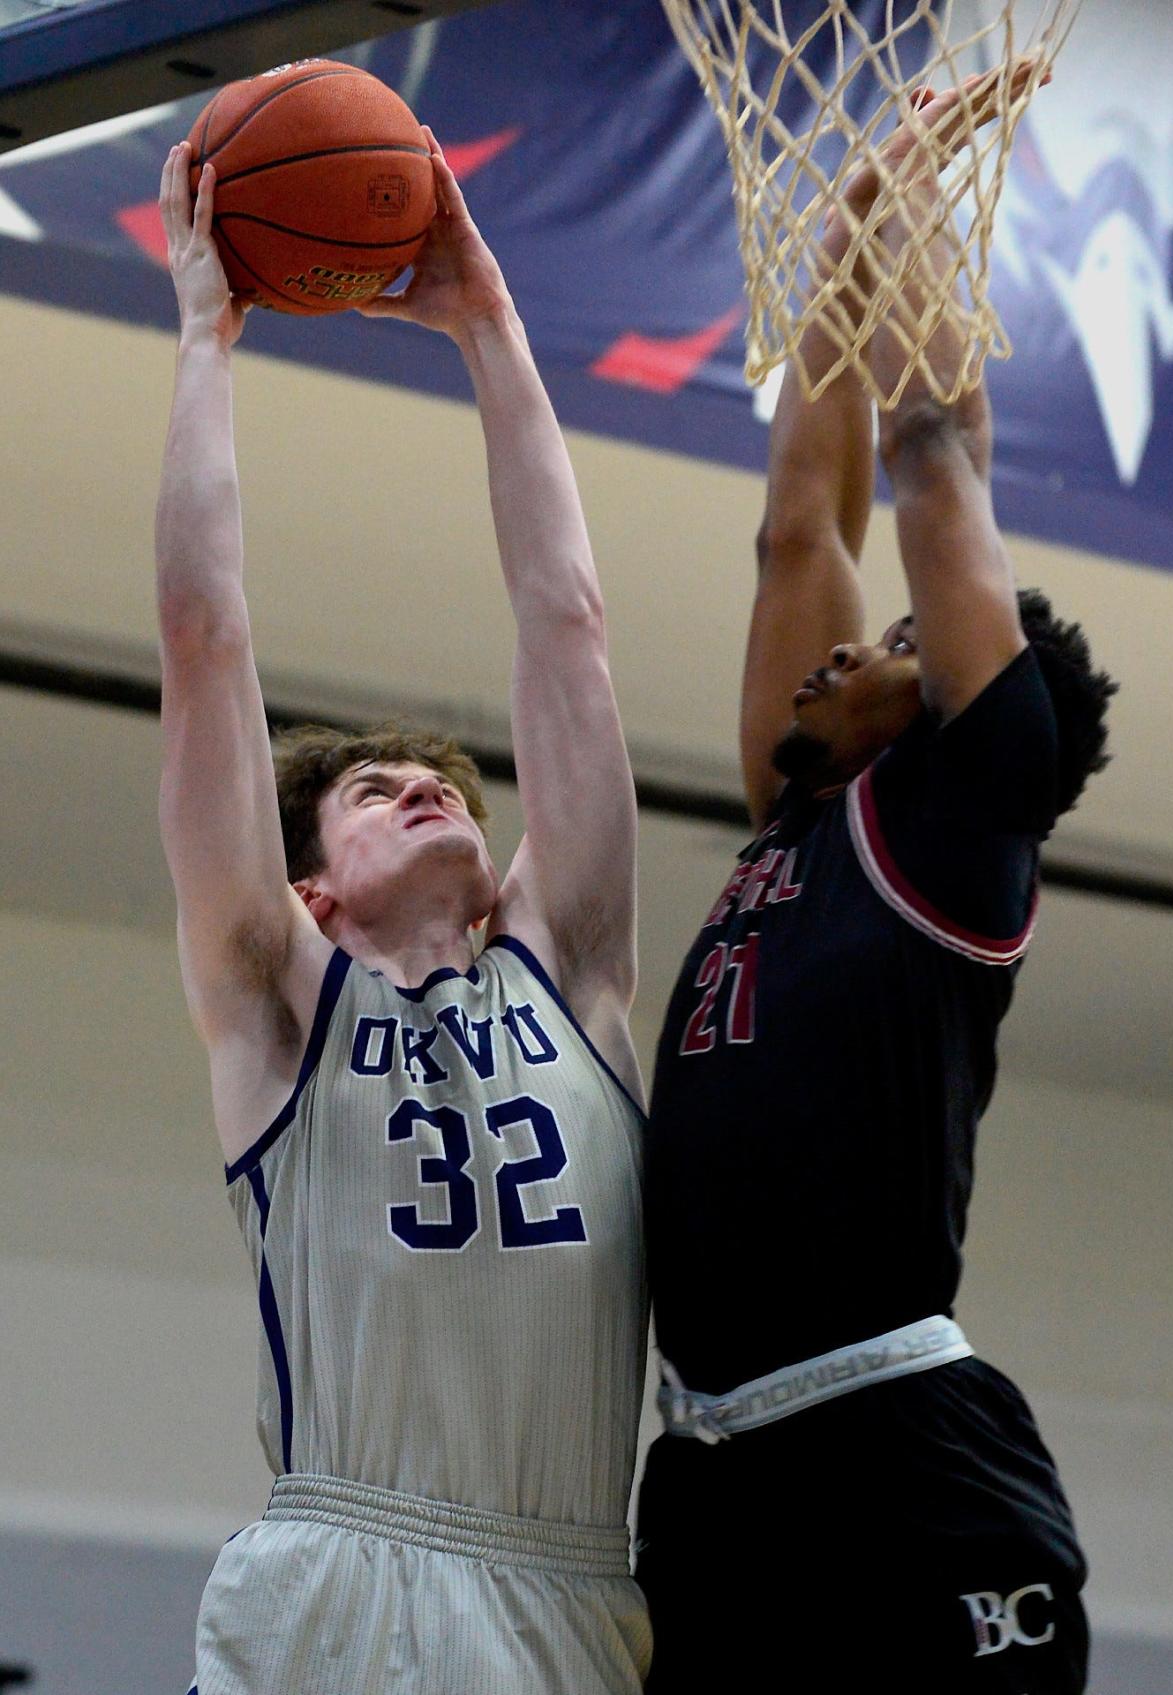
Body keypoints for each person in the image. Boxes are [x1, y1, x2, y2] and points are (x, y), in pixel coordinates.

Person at [635, 69, 1115, 1693]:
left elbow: (926, 455)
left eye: (900, 638)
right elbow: (794, 529)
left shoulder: (962, 820)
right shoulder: (796, 806)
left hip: (899, 1452)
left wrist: (912, 197)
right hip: (711, 1467)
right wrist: (835, 242)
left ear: (969, 706)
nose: (851, 638)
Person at [156, 132, 650, 1694]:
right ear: (310, 889)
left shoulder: (568, 966)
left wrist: (487, 326)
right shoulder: (275, 989)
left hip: (574, 1592)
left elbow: (565, 617)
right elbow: (204, 638)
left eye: (442, 787)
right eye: (373, 794)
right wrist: (202, 339)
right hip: (339, 1581)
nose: (424, 793)